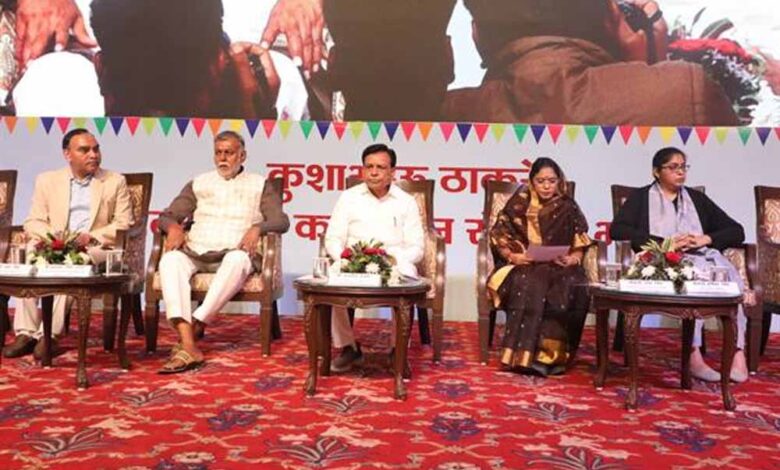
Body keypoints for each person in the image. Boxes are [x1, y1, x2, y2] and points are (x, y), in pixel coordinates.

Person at [443, 0, 739, 126]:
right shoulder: (687, 92)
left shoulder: (446, 114)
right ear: (612, 17)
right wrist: (649, 73)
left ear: (477, 37)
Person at [610, 147, 749, 382]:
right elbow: (618, 230)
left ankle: (738, 354)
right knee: (692, 278)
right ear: (656, 172)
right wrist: (665, 244)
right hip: (660, 260)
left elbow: (736, 230)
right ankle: (693, 355)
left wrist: (706, 239)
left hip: (699, 257)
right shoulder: (641, 198)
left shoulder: (697, 199)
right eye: (673, 167)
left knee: (729, 281)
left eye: (683, 167)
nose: (680, 172)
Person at [156, 130, 289, 374]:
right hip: (196, 251)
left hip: (234, 252)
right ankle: (189, 342)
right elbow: (167, 216)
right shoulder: (199, 183)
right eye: (218, 153)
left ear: (242, 156)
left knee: (237, 259)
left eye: (229, 153)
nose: (223, 158)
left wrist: (257, 228)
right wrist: (173, 227)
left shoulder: (260, 184)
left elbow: (281, 221)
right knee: (170, 261)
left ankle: (195, 328)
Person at [3, 128, 133, 359]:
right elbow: (33, 220)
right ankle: (26, 333)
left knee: (70, 263)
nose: (93, 155)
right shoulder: (47, 180)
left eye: (96, 149)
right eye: (85, 150)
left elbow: (124, 223)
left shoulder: (114, 181)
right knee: (32, 255)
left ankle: (49, 335)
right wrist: (54, 239)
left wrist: (90, 236)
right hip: (56, 241)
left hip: (95, 248)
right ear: (67, 154)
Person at [324, 143, 424, 371]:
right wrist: (344, 258)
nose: (374, 172)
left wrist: (393, 259)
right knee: (333, 277)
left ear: (392, 172)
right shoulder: (348, 198)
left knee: (408, 275)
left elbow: (417, 247)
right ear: (363, 170)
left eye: (381, 167)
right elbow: (333, 238)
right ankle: (348, 347)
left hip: (393, 263)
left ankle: (397, 350)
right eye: (369, 167)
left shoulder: (406, 202)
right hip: (355, 261)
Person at [487, 158, 591, 376]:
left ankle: (553, 356)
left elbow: (580, 242)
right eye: (541, 181)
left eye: (551, 181)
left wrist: (573, 259)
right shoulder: (518, 204)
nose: (546, 186)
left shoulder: (567, 206)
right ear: (532, 181)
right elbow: (498, 235)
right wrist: (513, 256)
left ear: (559, 181)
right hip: (525, 265)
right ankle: (524, 357)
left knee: (572, 284)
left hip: (561, 266)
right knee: (530, 282)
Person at [89, 0, 280, 118]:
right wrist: (254, 126)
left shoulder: (73, 109)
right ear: (218, 66)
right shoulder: (271, 81)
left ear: (101, 69)